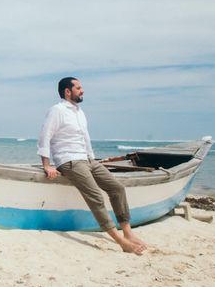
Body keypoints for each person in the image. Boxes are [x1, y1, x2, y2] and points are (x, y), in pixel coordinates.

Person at [37, 77, 147, 255]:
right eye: (79, 88)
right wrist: (47, 165)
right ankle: (121, 242)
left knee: (117, 188)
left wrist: (93, 160)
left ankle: (127, 232)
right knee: (96, 195)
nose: (83, 90)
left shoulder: (80, 112)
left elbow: (85, 139)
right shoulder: (57, 110)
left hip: (88, 160)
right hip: (69, 160)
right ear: (67, 91)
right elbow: (45, 137)